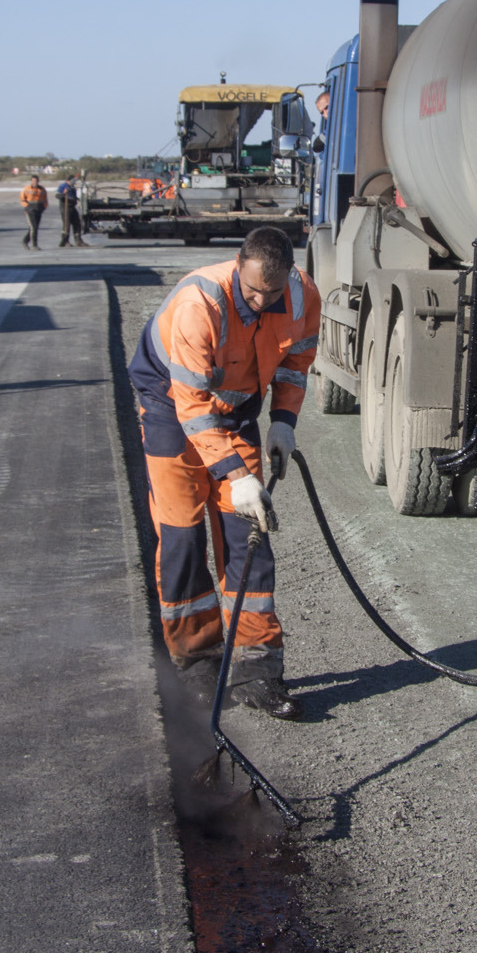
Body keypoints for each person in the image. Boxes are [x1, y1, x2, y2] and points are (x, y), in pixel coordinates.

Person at [128, 227, 322, 719]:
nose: (261, 301)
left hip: (236, 411)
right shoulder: (200, 303)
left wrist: (282, 423)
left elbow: (296, 362)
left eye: (271, 293)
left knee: (248, 536)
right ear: (238, 265)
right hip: (171, 406)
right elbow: (192, 406)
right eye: (253, 290)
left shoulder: (303, 297)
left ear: (289, 277)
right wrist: (236, 476)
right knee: (182, 535)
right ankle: (197, 662)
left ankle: (258, 671)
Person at [56, 175, 88, 247]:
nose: (75, 183)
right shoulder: (63, 185)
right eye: (74, 181)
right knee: (66, 224)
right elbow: (57, 195)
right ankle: (65, 240)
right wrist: (63, 193)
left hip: (72, 207)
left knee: (77, 223)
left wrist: (77, 199)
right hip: (65, 207)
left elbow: (74, 196)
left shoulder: (73, 188)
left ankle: (78, 240)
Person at [19, 175, 47, 248]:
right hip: (30, 211)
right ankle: (34, 245)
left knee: (35, 227)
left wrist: (44, 207)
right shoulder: (26, 189)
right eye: (33, 181)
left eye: (36, 181)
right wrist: (27, 207)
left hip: (38, 210)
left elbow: (45, 200)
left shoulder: (42, 189)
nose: (35, 182)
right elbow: (22, 200)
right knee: (33, 227)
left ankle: (25, 241)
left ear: (38, 181)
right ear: (31, 181)